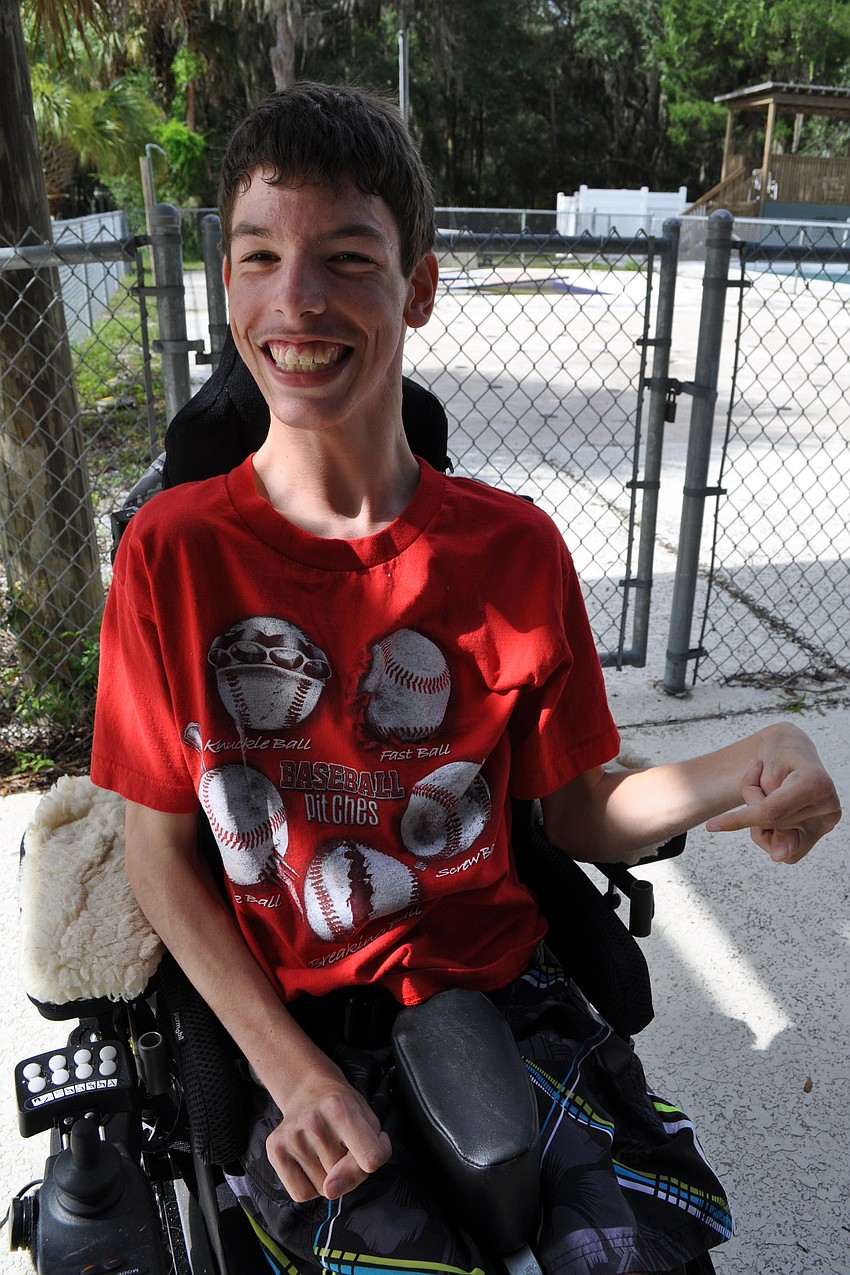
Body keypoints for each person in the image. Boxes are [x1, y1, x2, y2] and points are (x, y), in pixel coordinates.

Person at [90, 82, 840, 1275]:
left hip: (502, 989)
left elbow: (580, 808)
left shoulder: (512, 550)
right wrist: (292, 1071)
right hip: (294, 1016)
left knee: (639, 1251)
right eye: (261, 257)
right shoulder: (170, 557)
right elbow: (156, 852)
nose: (299, 298)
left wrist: (739, 765)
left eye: (347, 257)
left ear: (419, 286)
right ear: (226, 285)